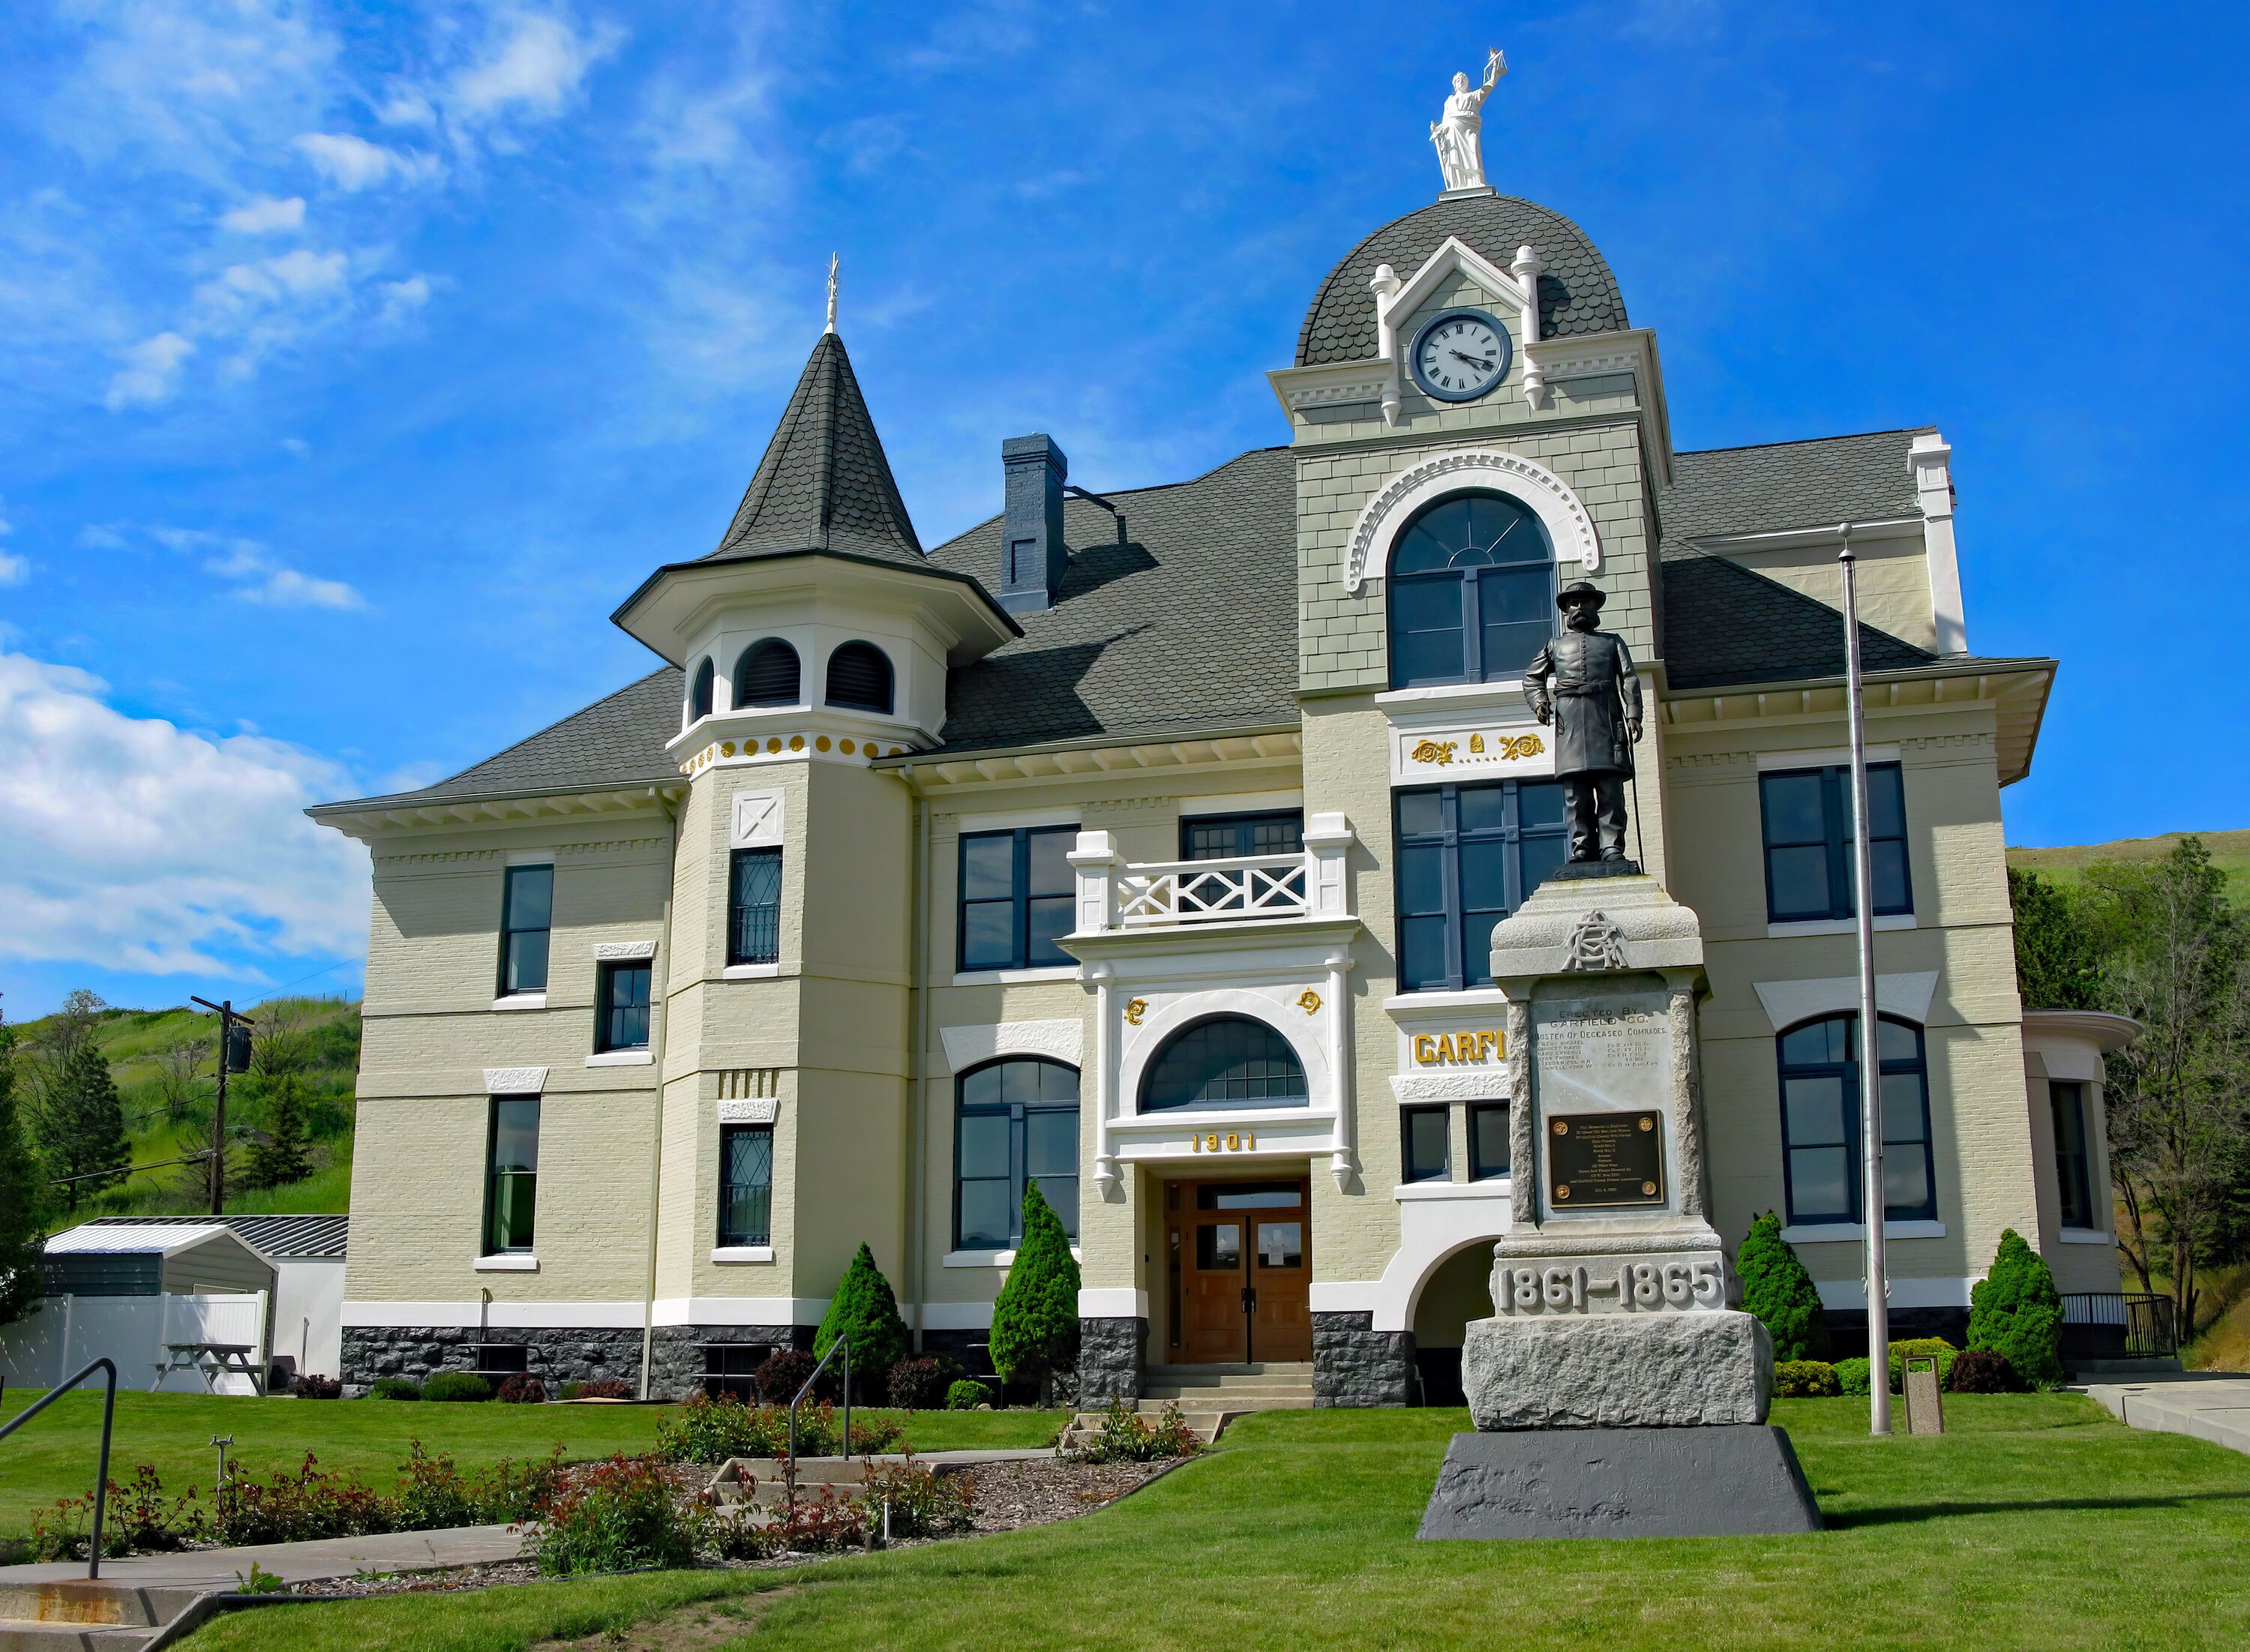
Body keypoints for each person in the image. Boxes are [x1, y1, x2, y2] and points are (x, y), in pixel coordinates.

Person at [1522, 580, 1642, 865]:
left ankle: (1611, 846)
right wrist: (1540, 702)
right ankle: (1583, 847)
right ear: (1565, 611)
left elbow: (1629, 678)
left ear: (1595, 607)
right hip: (1570, 720)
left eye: (1585, 602)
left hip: (1606, 717)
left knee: (1610, 788)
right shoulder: (1555, 645)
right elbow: (1532, 677)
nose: (1579, 608)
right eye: (1573, 604)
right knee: (1576, 792)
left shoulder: (1612, 642)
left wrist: (1634, 714)